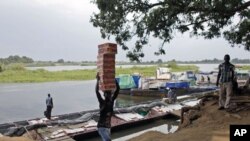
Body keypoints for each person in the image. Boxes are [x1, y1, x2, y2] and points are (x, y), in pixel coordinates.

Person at [96, 73, 120, 141]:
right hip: (101, 127)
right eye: (108, 94)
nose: (110, 95)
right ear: (104, 95)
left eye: (110, 94)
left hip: (108, 127)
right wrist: (97, 80)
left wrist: (114, 79)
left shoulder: (111, 101)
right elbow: (97, 92)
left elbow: (117, 89)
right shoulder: (102, 102)